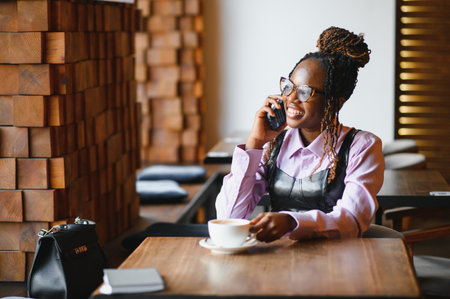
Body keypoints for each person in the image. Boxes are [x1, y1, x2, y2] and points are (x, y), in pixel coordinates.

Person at [215, 26, 385, 242]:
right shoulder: (273, 145)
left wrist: (291, 222)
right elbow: (229, 217)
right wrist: (255, 144)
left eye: (305, 92)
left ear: (335, 101)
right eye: (289, 87)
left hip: (338, 264)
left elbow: (352, 221)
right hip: (279, 260)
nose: (291, 99)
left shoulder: (361, 146)